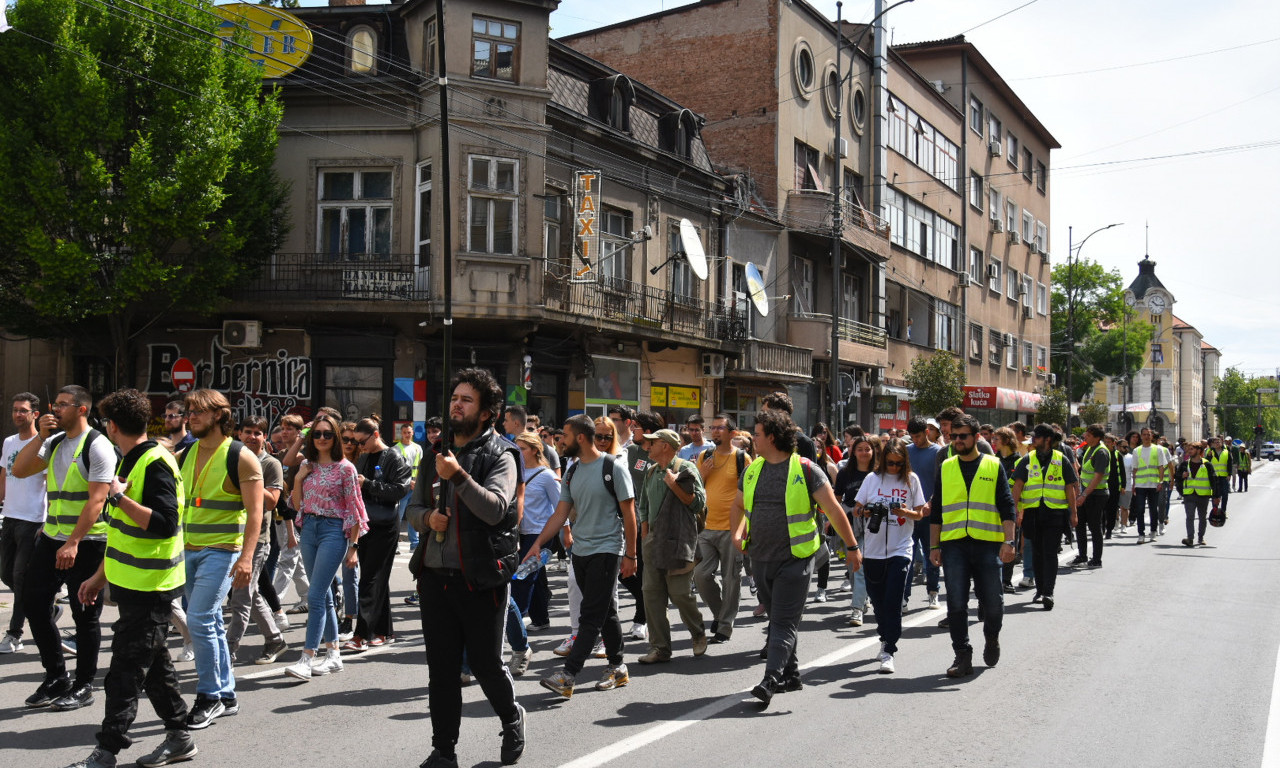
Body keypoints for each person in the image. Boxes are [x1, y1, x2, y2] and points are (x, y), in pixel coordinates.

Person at [60, 389, 195, 768]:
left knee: (124, 671)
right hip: (133, 586)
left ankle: (107, 751)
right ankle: (180, 737)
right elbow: (122, 533)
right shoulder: (131, 461)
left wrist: (118, 498)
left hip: (152, 589)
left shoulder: (154, 463)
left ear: (112, 426)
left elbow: (165, 523)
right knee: (155, 669)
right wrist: (98, 578)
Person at [407, 368, 525, 768]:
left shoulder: (502, 454)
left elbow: (495, 510)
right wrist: (427, 519)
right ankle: (444, 750)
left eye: (467, 400)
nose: (456, 405)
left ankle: (511, 718)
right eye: (454, 398)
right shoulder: (434, 453)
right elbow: (413, 508)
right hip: (434, 577)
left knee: (485, 664)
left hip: (481, 577)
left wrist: (457, 475)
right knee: (441, 671)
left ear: (487, 412)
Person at [731, 409, 862, 707]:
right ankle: (791, 675)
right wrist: (735, 534)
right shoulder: (752, 470)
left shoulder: (806, 469)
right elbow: (737, 505)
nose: (753, 439)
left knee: (781, 622)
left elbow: (833, 510)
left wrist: (852, 547)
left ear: (772, 438)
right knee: (780, 618)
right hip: (761, 557)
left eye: (757, 434)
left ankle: (770, 679)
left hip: (796, 559)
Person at [12, 385, 117, 712]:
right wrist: (40, 437)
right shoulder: (54, 441)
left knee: (84, 614)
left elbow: (97, 499)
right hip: (52, 537)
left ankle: (84, 685)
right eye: (54, 404)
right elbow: (19, 470)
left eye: (62, 405)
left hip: (87, 542)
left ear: (81, 409)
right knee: (33, 601)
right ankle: (56, 675)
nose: (54, 409)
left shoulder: (98, 445)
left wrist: (73, 542)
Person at [527, 414, 637, 701]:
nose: (560, 441)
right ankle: (617, 667)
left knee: (590, 615)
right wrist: (538, 543)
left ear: (579, 437)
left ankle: (568, 674)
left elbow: (630, 514)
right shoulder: (572, 471)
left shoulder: (613, 467)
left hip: (607, 550)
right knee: (605, 612)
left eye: (564, 436)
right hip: (581, 551)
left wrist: (631, 554)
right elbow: (560, 513)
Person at [176, 389, 264, 728]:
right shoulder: (186, 452)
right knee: (209, 621)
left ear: (218, 415)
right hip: (188, 549)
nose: (191, 416)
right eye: (189, 411)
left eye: (198, 411)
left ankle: (209, 696)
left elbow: (256, 514)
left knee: (198, 618)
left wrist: (247, 558)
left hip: (223, 550)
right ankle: (226, 695)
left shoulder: (241, 456)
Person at [929, 415, 1016, 677]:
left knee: (993, 603)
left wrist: (1009, 541)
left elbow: (1007, 506)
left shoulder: (993, 465)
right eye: (953, 436)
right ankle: (962, 655)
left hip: (988, 544)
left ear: (976, 437)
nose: (957, 441)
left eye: (963, 436)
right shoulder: (946, 466)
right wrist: (934, 546)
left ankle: (991, 637)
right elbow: (937, 510)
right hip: (954, 544)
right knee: (956, 603)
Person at [284, 413, 367, 681]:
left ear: (335, 438)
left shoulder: (346, 468)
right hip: (309, 528)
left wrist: (353, 546)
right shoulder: (306, 465)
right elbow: (298, 505)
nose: (321, 438)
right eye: (317, 434)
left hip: (334, 530)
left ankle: (307, 657)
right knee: (325, 596)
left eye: (327, 434)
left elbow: (354, 509)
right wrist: (299, 479)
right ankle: (333, 655)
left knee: (316, 595)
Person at [852, 438, 925, 674]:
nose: (894, 467)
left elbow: (920, 514)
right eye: (890, 463)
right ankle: (884, 637)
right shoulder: (872, 479)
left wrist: (905, 512)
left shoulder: (911, 480)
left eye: (898, 463)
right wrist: (867, 510)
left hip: (900, 549)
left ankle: (889, 650)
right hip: (873, 551)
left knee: (893, 601)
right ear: (883, 460)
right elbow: (856, 509)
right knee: (878, 601)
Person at [635, 428, 707, 663]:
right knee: (651, 595)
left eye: (653, 442)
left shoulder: (686, 469)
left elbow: (698, 504)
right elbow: (643, 506)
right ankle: (660, 648)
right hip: (653, 541)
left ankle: (698, 632)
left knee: (680, 593)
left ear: (665, 445)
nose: (648, 446)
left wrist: (674, 485)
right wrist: (645, 534)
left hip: (679, 540)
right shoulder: (651, 471)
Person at [224, 416, 288, 666]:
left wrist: (250, 478)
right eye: (247, 432)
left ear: (264, 437)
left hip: (258, 539)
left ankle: (227, 652)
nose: (252, 437)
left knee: (240, 598)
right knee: (250, 593)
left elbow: (271, 502)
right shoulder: (231, 458)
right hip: (230, 537)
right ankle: (275, 639)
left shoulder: (270, 463)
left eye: (257, 433)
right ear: (239, 434)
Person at [344, 416, 411, 651]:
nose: (359, 446)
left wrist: (368, 484)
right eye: (356, 442)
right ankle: (383, 631)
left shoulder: (394, 456)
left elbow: (400, 490)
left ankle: (362, 634)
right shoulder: (364, 458)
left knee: (370, 579)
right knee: (376, 578)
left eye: (362, 441)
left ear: (375, 435)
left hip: (384, 526)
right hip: (365, 524)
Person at [1011, 424, 1078, 610]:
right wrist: (1014, 509)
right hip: (1032, 513)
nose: (1033, 440)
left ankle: (1048, 592)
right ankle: (1040, 590)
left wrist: (1074, 513)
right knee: (1037, 553)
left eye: (1036, 437)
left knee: (1049, 552)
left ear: (1047, 439)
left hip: (1054, 513)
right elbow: (1018, 485)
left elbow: (1069, 487)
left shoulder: (1061, 459)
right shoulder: (1028, 459)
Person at [693, 414, 747, 643]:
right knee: (701, 575)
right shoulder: (704, 456)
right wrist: (702, 474)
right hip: (706, 527)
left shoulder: (742, 458)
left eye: (720, 428)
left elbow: (750, 494)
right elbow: (695, 488)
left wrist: (745, 528)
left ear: (732, 433)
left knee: (731, 579)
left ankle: (725, 627)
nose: (714, 431)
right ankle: (720, 614)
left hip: (732, 529)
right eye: (712, 427)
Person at [1, 392, 47, 655]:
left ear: (35, 414)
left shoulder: (45, 444)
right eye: (15, 409)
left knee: (20, 577)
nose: (18, 414)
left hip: (33, 520)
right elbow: (4, 476)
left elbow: (50, 484)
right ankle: (42, 607)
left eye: (23, 410)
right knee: (5, 574)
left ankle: (14, 634)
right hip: (10, 517)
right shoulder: (9, 442)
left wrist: (48, 521)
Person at [512, 432, 559, 640]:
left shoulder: (547, 475)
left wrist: (566, 534)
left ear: (534, 450)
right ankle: (540, 619)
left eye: (522, 449)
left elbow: (561, 506)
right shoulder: (515, 471)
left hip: (540, 532)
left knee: (522, 577)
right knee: (536, 577)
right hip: (519, 532)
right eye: (516, 448)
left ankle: (514, 622)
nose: (518, 452)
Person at [834, 435, 877, 625]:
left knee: (862, 567)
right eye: (860, 449)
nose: (864, 453)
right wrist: (833, 521)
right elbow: (836, 499)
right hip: (850, 525)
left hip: (875, 525)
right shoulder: (845, 473)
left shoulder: (879, 472)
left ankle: (857, 608)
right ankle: (861, 597)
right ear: (853, 452)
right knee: (853, 568)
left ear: (873, 451)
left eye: (867, 449)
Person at [273, 414, 311, 615]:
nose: (284, 432)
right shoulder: (280, 455)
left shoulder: (301, 456)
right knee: (295, 559)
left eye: (289, 429)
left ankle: (273, 602)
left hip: (295, 513)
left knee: (288, 558)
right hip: (280, 512)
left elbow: (291, 461)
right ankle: (306, 596)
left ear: (299, 432)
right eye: (283, 428)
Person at [904, 417, 942, 609]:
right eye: (912, 437)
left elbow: (941, 482)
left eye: (918, 436)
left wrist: (931, 502)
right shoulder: (906, 451)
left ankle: (933, 592)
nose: (915, 440)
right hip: (909, 513)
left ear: (927, 432)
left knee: (931, 554)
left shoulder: (938, 452)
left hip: (930, 513)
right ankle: (904, 597)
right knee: (906, 558)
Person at [1071, 425, 1110, 569]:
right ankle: (1082, 556)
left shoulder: (1101, 452)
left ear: (1097, 437)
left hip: (1096, 494)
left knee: (1094, 527)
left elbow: (1098, 477)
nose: (1085, 437)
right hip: (1086, 493)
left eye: (1088, 435)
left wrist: (1084, 495)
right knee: (1080, 524)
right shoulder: (1090, 448)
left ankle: (1096, 560)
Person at [1130, 428, 1172, 543]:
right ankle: (1141, 534)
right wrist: (1134, 484)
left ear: (1151, 436)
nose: (1146, 437)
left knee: (1153, 509)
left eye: (1148, 434)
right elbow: (1135, 468)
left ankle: (1153, 531)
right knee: (1140, 509)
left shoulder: (1158, 449)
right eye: (1144, 435)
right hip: (1140, 484)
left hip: (1154, 484)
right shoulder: (1137, 450)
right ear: (1141, 436)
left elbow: (1161, 467)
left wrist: (1160, 481)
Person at [1174, 440, 1217, 547]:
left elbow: (1214, 481)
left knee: (1202, 518)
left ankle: (1201, 537)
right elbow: (1177, 478)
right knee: (1190, 516)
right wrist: (1182, 477)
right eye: (1188, 449)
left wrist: (1216, 496)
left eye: (1191, 449)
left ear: (1199, 450)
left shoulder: (1207, 464)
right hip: (1189, 495)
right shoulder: (1185, 464)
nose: (1189, 451)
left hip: (1203, 495)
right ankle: (1190, 538)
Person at [760, 391, 817, 460]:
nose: (762, 417)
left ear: (779, 413)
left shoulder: (805, 443)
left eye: (765, 413)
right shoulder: (764, 440)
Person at [394, 422, 424, 551]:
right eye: (405, 433)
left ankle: (414, 544)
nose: (407, 435)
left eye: (409, 432)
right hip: (403, 487)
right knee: (398, 517)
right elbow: (396, 470)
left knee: (413, 516)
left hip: (415, 487)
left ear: (413, 433)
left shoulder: (418, 448)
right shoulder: (396, 449)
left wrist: (417, 482)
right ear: (401, 434)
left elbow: (420, 467)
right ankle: (395, 544)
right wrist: (409, 482)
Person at [1102, 434, 1126, 540]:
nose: (1106, 444)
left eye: (1108, 442)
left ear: (1113, 443)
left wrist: (1123, 485)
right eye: (1105, 442)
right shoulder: (1101, 453)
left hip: (1114, 486)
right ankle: (1102, 528)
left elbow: (1122, 471)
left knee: (1112, 509)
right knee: (1102, 509)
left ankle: (1109, 530)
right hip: (1102, 485)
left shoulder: (1117, 455)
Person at [1206, 436, 1232, 519]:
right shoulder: (1209, 452)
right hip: (1214, 477)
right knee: (1215, 495)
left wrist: (1229, 474)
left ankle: (1223, 511)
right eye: (1215, 442)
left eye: (1218, 442)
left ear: (1221, 443)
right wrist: (1209, 456)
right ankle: (1215, 511)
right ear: (1212, 444)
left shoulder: (1226, 452)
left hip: (1223, 476)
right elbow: (1206, 463)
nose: (1217, 444)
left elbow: (1229, 463)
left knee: (1225, 495)